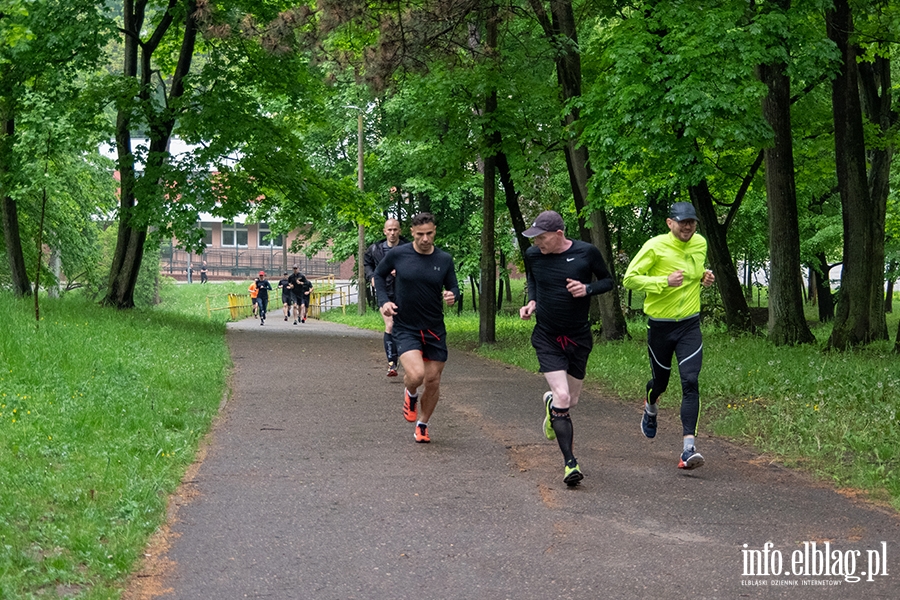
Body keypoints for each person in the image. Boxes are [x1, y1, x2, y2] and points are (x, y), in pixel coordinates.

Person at [519, 210, 614, 487]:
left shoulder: (587, 253)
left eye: (542, 238)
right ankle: (570, 463)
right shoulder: (533, 255)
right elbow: (534, 280)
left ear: (559, 234)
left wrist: (587, 289)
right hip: (547, 336)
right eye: (535, 238)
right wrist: (532, 302)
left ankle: (551, 405)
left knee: (570, 401)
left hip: (578, 337)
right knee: (562, 396)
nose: (538, 243)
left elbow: (608, 281)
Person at [623, 201, 715, 470]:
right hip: (660, 327)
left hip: (689, 324)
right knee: (660, 383)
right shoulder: (654, 246)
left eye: (692, 222)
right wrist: (662, 282)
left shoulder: (700, 243)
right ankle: (650, 405)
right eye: (682, 221)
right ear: (669, 223)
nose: (688, 226)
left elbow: (695, 274)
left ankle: (688, 450)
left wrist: (703, 277)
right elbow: (630, 279)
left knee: (690, 380)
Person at [374, 212, 459, 444]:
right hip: (406, 326)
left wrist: (453, 295)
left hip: (433, 328)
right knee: (417, 375)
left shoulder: (444, 259)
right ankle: (410, 393)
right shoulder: (398, 254)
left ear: (435, 231)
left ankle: (423, 424)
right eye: (420, 234)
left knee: (433, 381)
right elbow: (378, 276)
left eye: (429, 233)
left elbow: (453, 285)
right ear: (411, 232)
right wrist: (384, 301)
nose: (425, 239)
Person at [364, 218, 410, 376]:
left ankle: (407, 358)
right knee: (390, 324)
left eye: (395, 229)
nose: (392, 233)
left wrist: (403, 271)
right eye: (389, 230)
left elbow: (418, 264)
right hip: (385, 292)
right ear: (385, 231)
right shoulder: (375, 249)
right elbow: (367, 263)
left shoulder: (409, 248)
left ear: (400, 231)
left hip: (406, 293)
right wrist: (371, 276)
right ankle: (392, 364)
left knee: (404, 327)